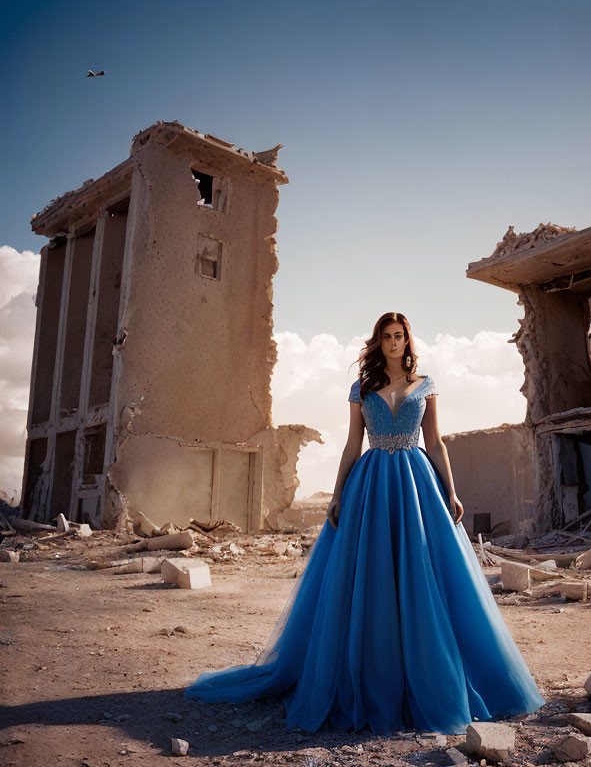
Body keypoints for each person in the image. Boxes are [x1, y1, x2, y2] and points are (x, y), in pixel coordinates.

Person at [185, 311, 545, 735]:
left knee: (424, 576)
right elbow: (352, 443)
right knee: (371, 579)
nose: (394, 343)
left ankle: (438, 680)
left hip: (416, 484)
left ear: (408, 340)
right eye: (387, 337)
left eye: (400, 336)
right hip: (371, 485)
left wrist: (451, 491)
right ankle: (371, 680)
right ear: (379, 342)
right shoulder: (362, 387)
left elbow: (435, 441)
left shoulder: (425, 385)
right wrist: (338, 493)